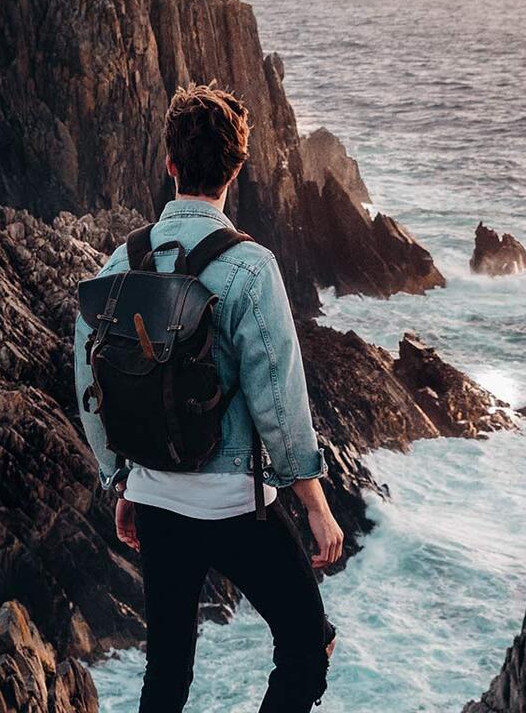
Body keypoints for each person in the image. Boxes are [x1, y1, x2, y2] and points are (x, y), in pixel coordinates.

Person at [73, 84, 343, 712]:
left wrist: (122, 481)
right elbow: (277, 399)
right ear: (236, 171)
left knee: (166, 671)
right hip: (234, 507)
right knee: (307, 646)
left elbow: (92, 389)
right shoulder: (250, 268)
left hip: (157, 501)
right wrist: (315, 504)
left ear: (170, 164)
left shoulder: (121, 263)